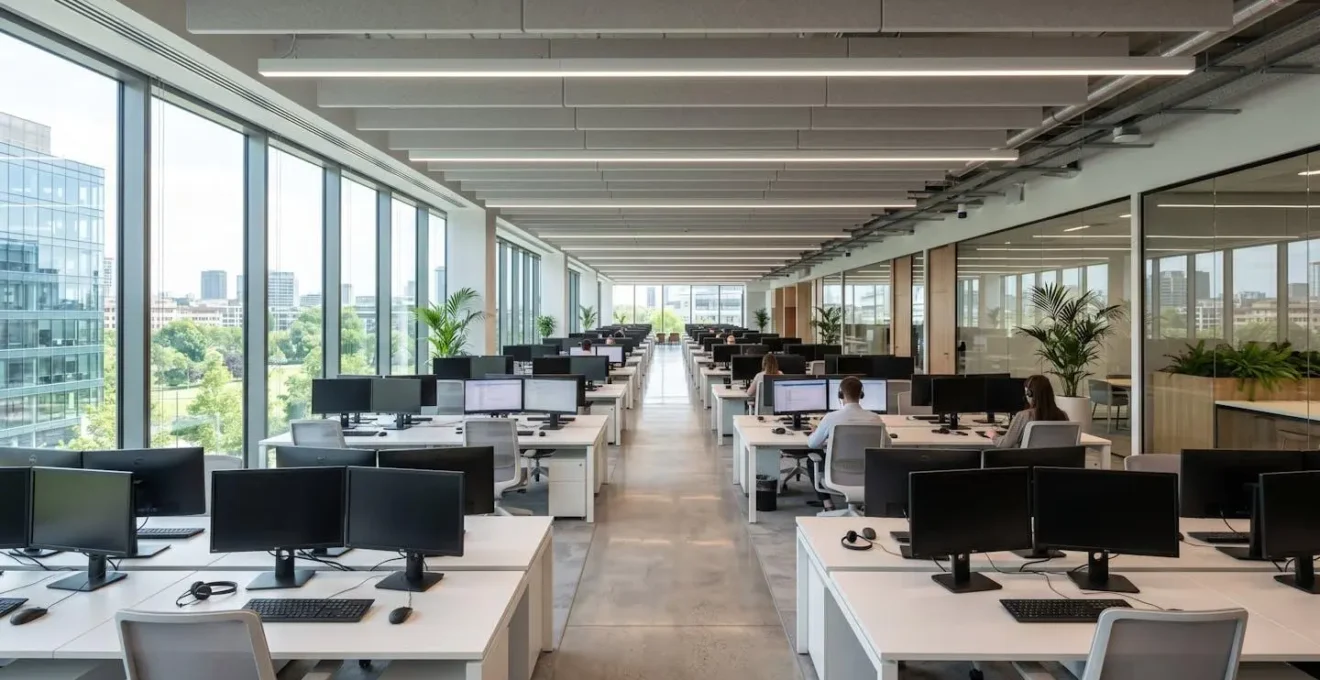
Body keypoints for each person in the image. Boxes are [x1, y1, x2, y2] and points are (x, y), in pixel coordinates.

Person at [805, 376, 886, 511]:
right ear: (861, 394)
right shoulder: (875, 418)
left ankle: (828, 505)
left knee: (812, 458)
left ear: (840, 394)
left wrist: (817, 431)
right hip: (868, 474)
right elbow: (886, 445)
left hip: (838, 474)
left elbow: (812, 444)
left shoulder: (831, 418)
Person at [992, 374, 1070, 448]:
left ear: (1029, 394)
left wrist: (993, 436)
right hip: (1058, 461)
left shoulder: (1024, 416)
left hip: (1029, 461)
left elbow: (1005, 443)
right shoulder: (1063, 415)